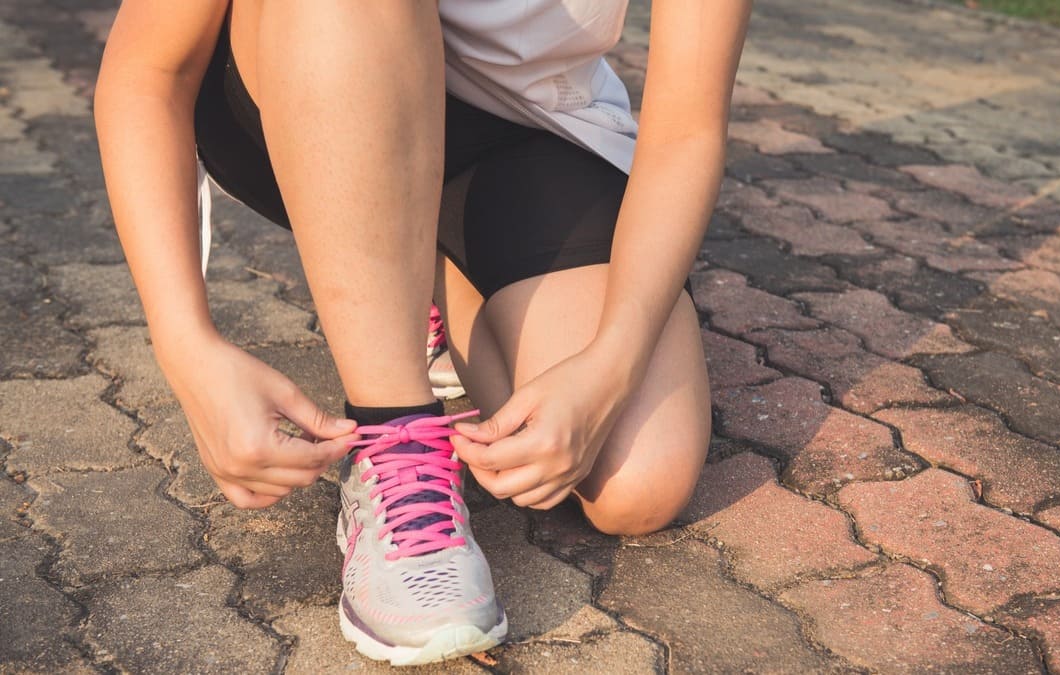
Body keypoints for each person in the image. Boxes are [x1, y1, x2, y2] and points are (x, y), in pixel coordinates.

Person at [94, 0, 752, 666]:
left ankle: (406, 266)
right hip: (309, 59)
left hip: (530, 123)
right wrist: (185, 343)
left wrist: (613, 361)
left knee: (638, 480)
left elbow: (688, 128)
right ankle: (392, 436)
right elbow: (148, 70)